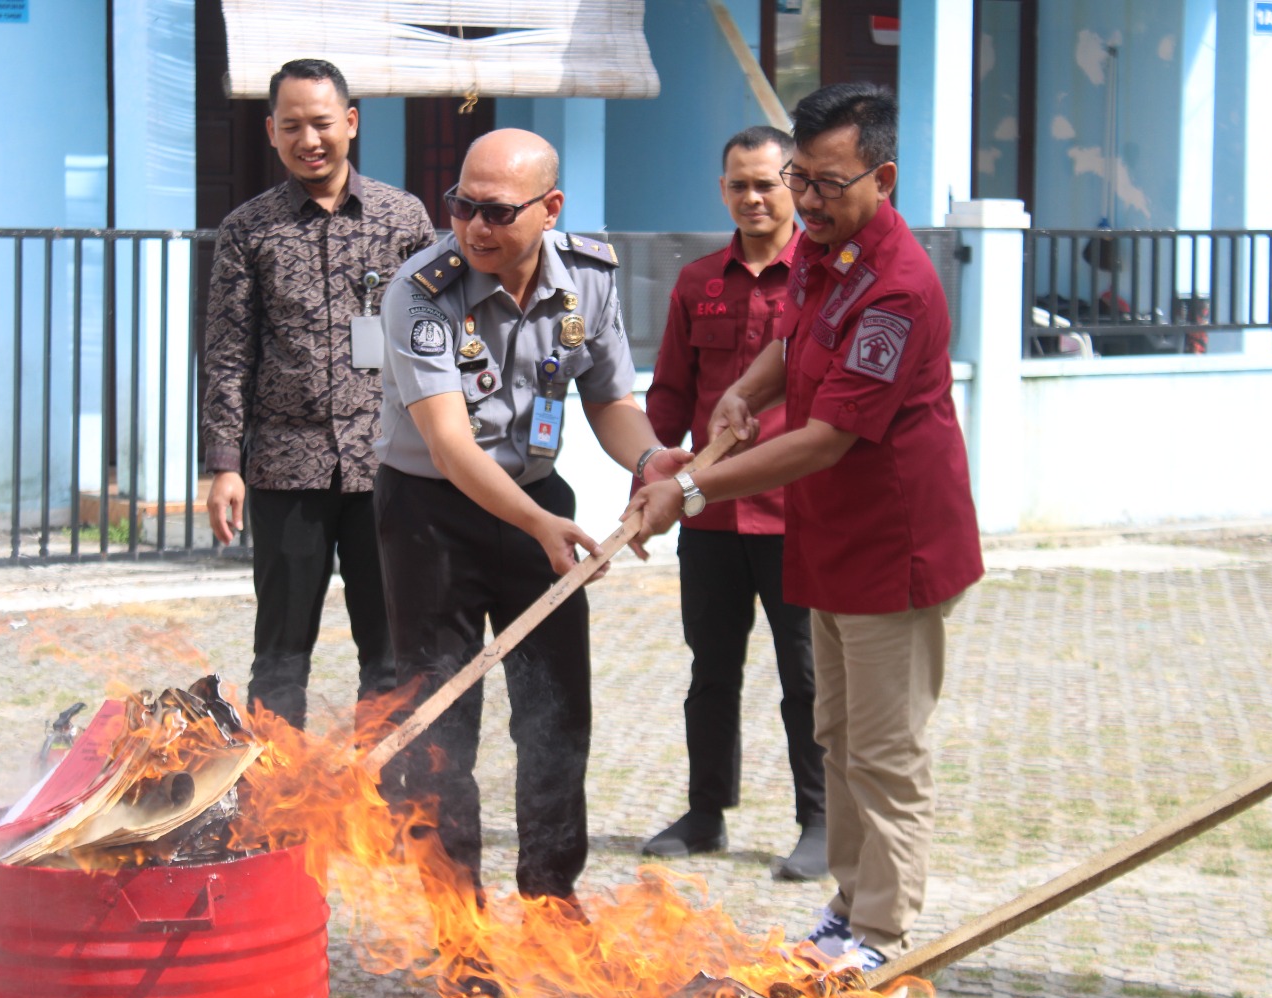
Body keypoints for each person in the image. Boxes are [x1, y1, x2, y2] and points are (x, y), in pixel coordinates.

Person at [624, 83, 983, 968]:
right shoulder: (832, 260)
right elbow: (794, 341)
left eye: (825, 183)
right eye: (800, 179)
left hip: (892, 552)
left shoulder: (898, 288)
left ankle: (883, 933)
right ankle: (849, 907)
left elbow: (823, 442)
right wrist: (747, 390)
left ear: (884, 177)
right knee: (837, 736)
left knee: (886, 752)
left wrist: (693, 495)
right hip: (825, 544)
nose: (806, 202)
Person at [373, 128, 690, 909]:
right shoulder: (420, 290)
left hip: (539, 506)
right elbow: (449, 444)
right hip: (430, 517)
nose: (475, 227)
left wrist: (649, 462)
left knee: (556, 713)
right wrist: (537, 526)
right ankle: (459, 920)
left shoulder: (590, 280)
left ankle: (552, 896)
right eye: (462, 206)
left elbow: (612, 401)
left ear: (550, 208)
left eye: (498, 212)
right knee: (442, 724)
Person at [202, 59, 435, 728]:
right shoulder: (250, 230)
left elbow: (436, 344)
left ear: (351, 124)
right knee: (279, 657)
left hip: (389, 464)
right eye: (294, 125)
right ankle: (275, 806)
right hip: (285, 468)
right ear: (271, 131)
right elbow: (226, 352)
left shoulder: (403, 219)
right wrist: (223, 464)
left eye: (323, 123)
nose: (311, 139)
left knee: (390, 653)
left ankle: (385, 800)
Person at [639, 126, 827, 881]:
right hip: (708, 511)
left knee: (805, 677)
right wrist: (647, 489)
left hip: (795, 514)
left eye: (768, 183)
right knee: (711, 670)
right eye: (739, 185)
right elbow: (670, 398)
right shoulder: (698, 284)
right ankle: (706, 811)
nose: (753, 197)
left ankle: (820, 820)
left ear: (795, 186)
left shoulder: (819, 281)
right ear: (722, 190)